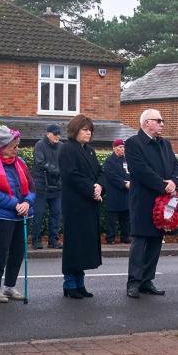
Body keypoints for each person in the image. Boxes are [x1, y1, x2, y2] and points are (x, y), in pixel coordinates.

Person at [124, 109, 178, 299]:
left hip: (163, 202)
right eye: (158, 121)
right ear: (146, 123)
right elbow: (140, 170)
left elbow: (175, 166)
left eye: (162, 121)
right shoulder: (133, 143)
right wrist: (163, 185)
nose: (162, 124)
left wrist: (174, 181)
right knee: (140, 241)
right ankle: (134, 282)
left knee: (156, 242)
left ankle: (147, 280)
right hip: (143, 200)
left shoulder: (165, 144)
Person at [0, 127, 35, 302]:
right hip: (1, 215)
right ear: (2, 147)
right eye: (13, 147)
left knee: (18, 251)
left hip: (21, 214)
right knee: (0, 252)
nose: (16, 150)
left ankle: (10, 286)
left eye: (17, 146)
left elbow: (32, 188)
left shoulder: (21, 163)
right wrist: (15, 204)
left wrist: (27, 202)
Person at [58, 115, 105, 298]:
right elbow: (71, 175)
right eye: (85, 129)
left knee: (85, 246)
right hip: (75, 205)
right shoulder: (67, 149)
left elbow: (101, 172)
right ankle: (69, 283)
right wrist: (91, 188)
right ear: (75, 130)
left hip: (89, 205)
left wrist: (100, 186)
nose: (88, 133)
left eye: (90, 130)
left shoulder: (90, 151)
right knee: (74, 245)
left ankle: (80, 282)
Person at [31, 126, 64, 250]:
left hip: (57, 186)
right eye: (55, 134)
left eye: (59, 134)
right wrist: (56, 171)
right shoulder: (39, 145)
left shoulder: (61, 146)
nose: (58, 136)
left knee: (56, 214)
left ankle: (53, 240)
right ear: (48, 134)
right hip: (41, 185)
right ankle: (36, 240)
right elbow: (40, 162)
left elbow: (65, 162)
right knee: (39, 214)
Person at [102, 139, 130, 245]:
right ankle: (111, 238)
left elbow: (131, 173)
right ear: (114, 148)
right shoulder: (109, 161)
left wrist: (131, 182)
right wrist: (124, 183)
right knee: (112, 219)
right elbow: (111, 176)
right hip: (114, 194)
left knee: (125, 218)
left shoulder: (127, 160)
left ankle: (125, 237)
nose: (122, 149)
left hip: (126, 195)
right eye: (120, 147)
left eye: (123, 147)